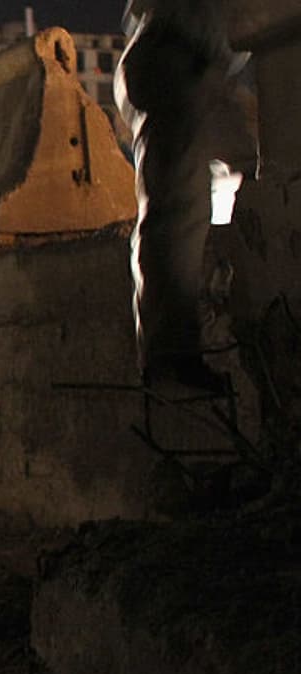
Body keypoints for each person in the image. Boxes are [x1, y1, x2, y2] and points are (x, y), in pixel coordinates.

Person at [114, 0, 256, 392]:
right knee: (178, 212)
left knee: (242, 182)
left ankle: (170, 355)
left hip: (186, 57)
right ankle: (170, 358)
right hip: (179, 56)